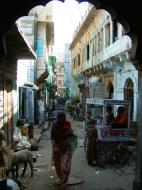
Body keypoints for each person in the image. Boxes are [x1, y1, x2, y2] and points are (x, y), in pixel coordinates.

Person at [51, 111, 73, 189]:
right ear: (57, 118)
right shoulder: (54, 125)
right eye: (60, 118)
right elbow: (52, 138)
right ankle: (61, 178)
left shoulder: (67, 124)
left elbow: (71, 135)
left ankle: (64, 181)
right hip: (57, 147)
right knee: (57, 165)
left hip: (67, 146)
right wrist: (56, 147)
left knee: (65, 165)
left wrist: (68, 139)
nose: (62, 119)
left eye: (63, 117)